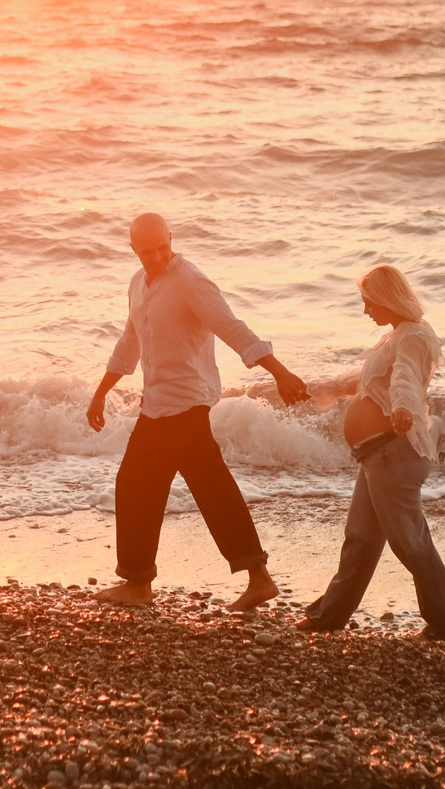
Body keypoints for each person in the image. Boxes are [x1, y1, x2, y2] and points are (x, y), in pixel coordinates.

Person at [86, 213, 309, 611]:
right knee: (212, 487)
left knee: (136, 485)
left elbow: (232, 328)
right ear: (132, 248)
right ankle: (258, 576)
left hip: (184, 402)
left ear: (171, 239)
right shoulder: (139, 284)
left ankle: (138, 584)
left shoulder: (191, 281)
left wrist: (280, 372)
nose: (156, 257)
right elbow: (129, 341)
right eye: (146, 251)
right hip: (158, 402)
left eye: (163, 248)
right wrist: (101, 392)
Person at [298, 265, 445, 641]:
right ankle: (329, 616)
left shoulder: (415, 337)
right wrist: (317, 388)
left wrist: (403, 407)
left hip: (396, 453)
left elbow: (405, 376)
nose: (365, 311)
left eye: (369, 302)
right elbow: (364, 381)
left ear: (389, 298)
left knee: (410, 540)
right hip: (377, 455)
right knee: (360, 537)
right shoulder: (396, 336)